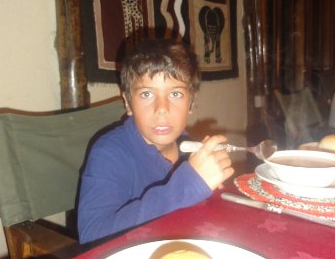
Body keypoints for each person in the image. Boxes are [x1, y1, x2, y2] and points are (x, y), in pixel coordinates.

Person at [77, 38, 234, 244]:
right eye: (147, 94)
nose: (162, 108)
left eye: (175, 93)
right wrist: (190, 184)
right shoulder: (108, 153)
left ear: (191, 103)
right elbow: (92, 235)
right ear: (128, 103)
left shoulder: (188, 147)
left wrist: (207, 181)